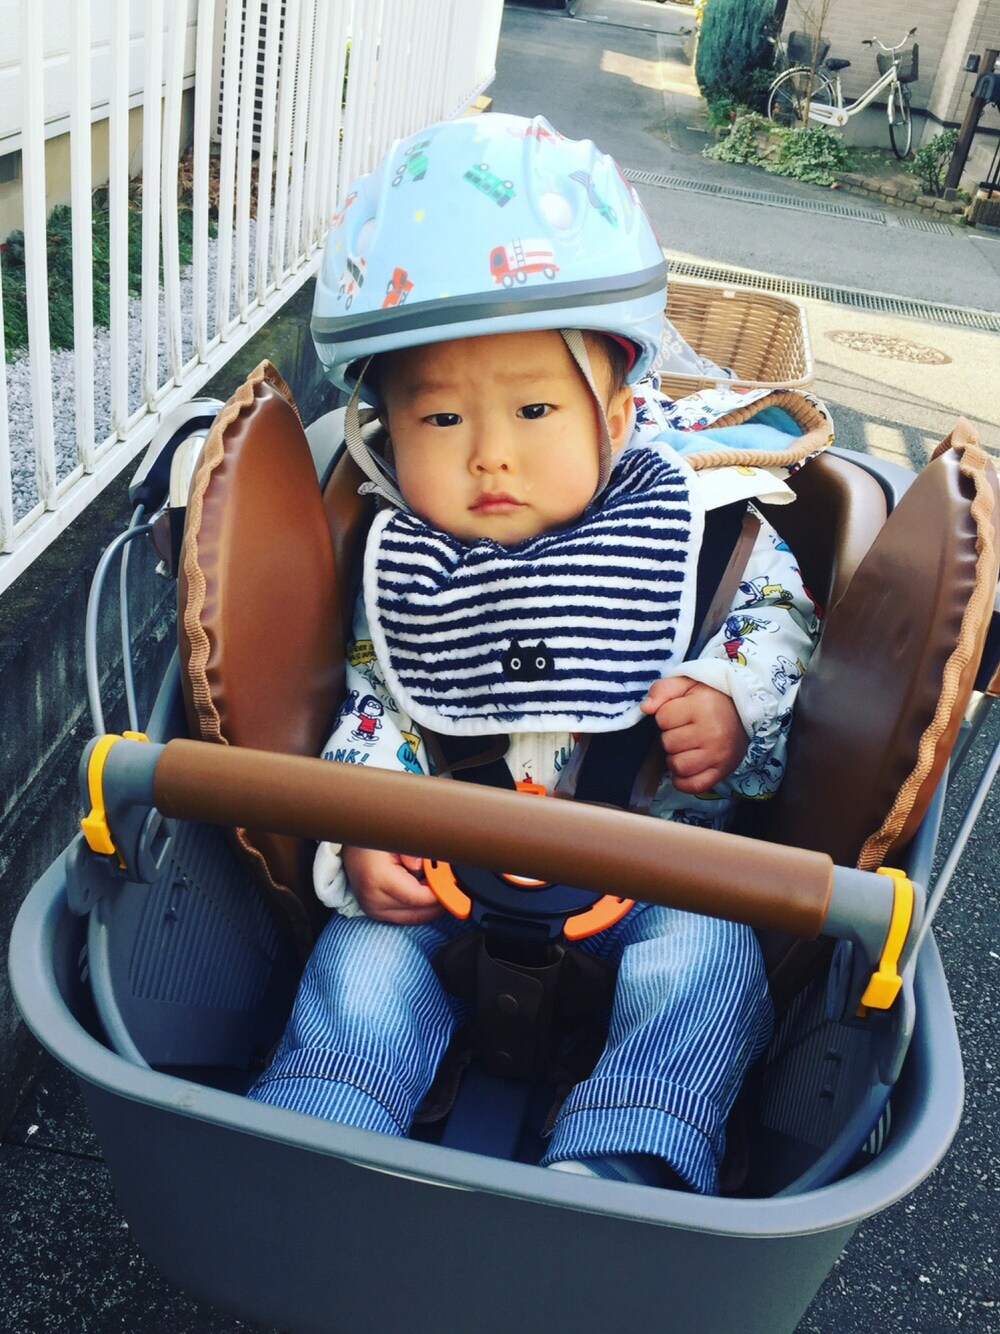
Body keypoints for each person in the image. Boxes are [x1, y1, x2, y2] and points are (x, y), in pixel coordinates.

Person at [248, 113, 825, 1194]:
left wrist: (730, 700)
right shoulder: (410, 562)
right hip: (449, 879)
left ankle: (632, 1150)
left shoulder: (693, 532)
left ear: (617, 412)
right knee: (360, 969)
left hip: (653, 871)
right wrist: (365, 828)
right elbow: (377, 702)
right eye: (439, 420)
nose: (490, 456)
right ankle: (321, 1130)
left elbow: (778, 617)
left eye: (534, 407)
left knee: (710, 956)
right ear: (382, 427)